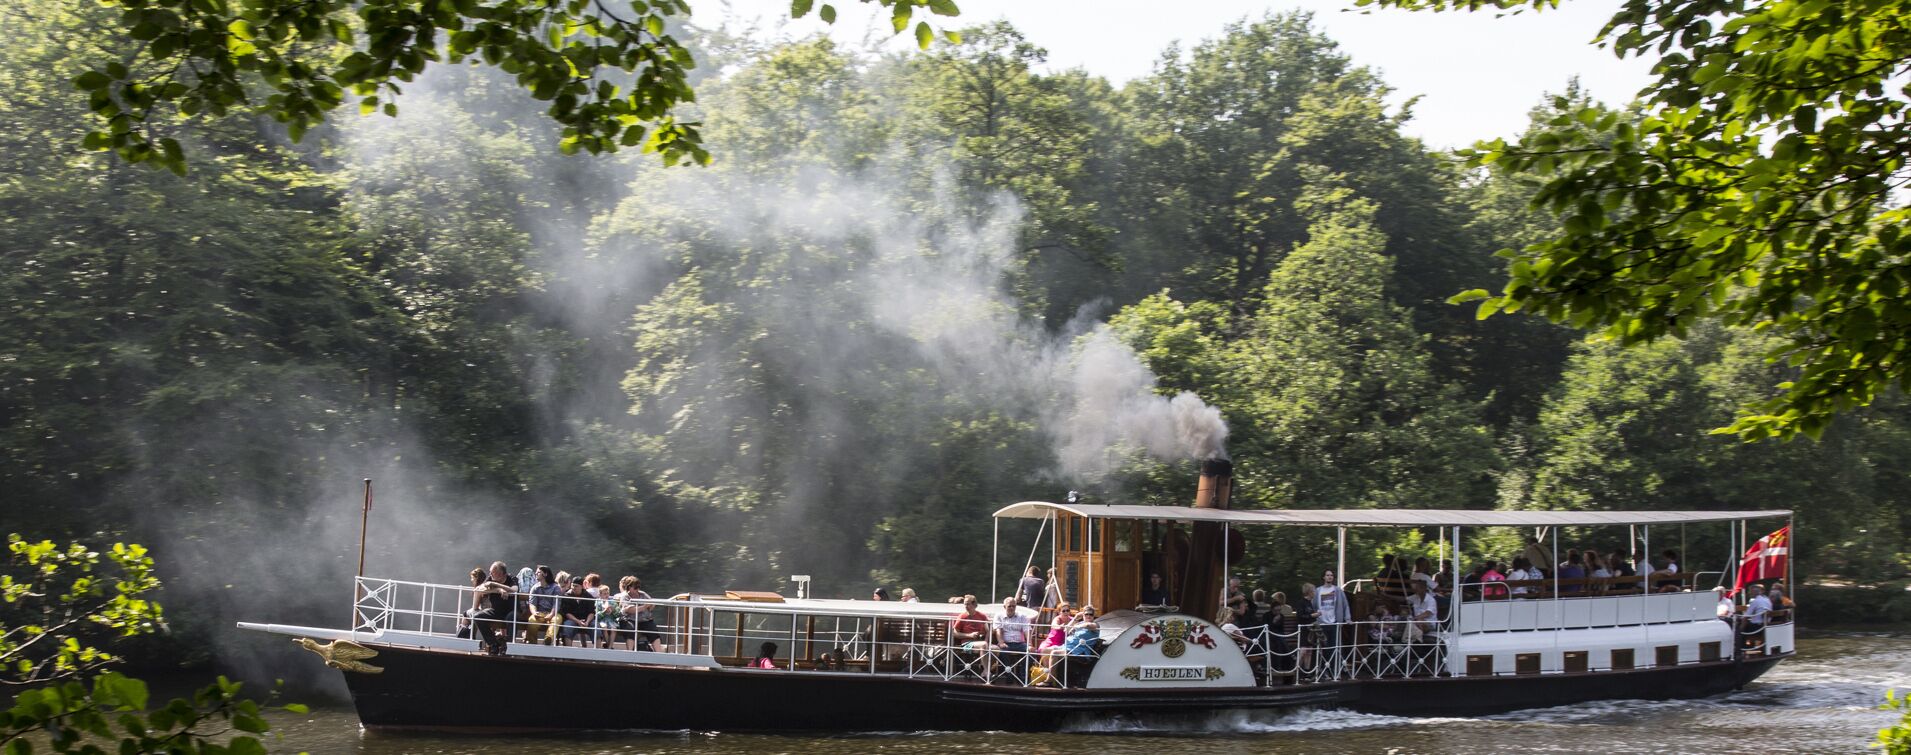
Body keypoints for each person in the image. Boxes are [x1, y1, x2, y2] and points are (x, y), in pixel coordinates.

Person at [470, 561, 519, 655]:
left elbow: (514, 590)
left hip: (511, 610)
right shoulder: (490, 578)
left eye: (492, 572)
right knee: (477, 617)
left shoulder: (512, 578)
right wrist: (498, 590)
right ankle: (493, 644)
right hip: (495, 610)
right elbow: (479, 589)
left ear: (500, 573)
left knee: (512, 618)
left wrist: (497, 585)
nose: (490, 574)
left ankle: (507, 646)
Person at [522, 565, 561, 644]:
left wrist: (551, 615)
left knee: (556, 620)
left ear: (545, 574)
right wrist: (534, 613)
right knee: (532, 620)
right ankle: (532, 642)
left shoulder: (555, 588)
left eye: (539, 572)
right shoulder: (535, 588)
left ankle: (548, 639)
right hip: (540, 613)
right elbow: (532, 603)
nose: (536, 573)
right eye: (536, 572)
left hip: (553, 613)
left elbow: (556, 603)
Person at [557, 573, 595, 646]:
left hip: (586, 620)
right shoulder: (567, 596)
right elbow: (567, 613)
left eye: (576, 586)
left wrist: (587, 622)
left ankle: (598, 653)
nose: (574, 588)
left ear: (581, 587)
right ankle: (568, 652)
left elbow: (591, 612)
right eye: (572, 586)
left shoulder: (588, 597)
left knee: (596, 627)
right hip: (572, 620)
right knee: (567, 626)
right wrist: (578, 621)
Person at [627, 577, 663, 652]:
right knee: (630, 629)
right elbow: (630, 610)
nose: (637, 589)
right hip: (631, 620)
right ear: (629, 587)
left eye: (638, 587)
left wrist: (650, 605)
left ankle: (659, 653)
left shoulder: (643, 594)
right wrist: (644, 607)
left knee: (652, 630)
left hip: (645, 620)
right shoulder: (626, 597)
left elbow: (652, 604)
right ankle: (629, 652)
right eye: (635, 587)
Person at [456, 566, 486, 640]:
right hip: (485, 610)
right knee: (471, 615)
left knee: (466, 615)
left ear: (477, 579)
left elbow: (475, 606)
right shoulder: (485, 586)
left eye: (472, 578)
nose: (471, 580)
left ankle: (463, 638)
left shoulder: (479, 588)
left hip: (484, 611)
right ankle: (470, 638)